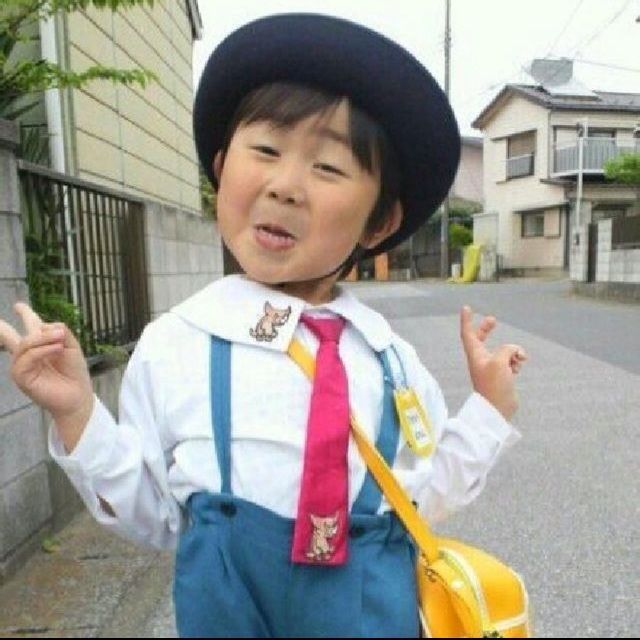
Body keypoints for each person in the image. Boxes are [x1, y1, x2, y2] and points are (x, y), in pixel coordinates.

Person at [0, 13, 527, 638]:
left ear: (379, 222)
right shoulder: (177, 344)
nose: (285, 186)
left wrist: (488, 410)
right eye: (267, 151)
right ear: (222, 167)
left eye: (328, 168)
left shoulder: (390, 360)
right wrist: (78, 415)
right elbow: (155, 515)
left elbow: (425, 495)